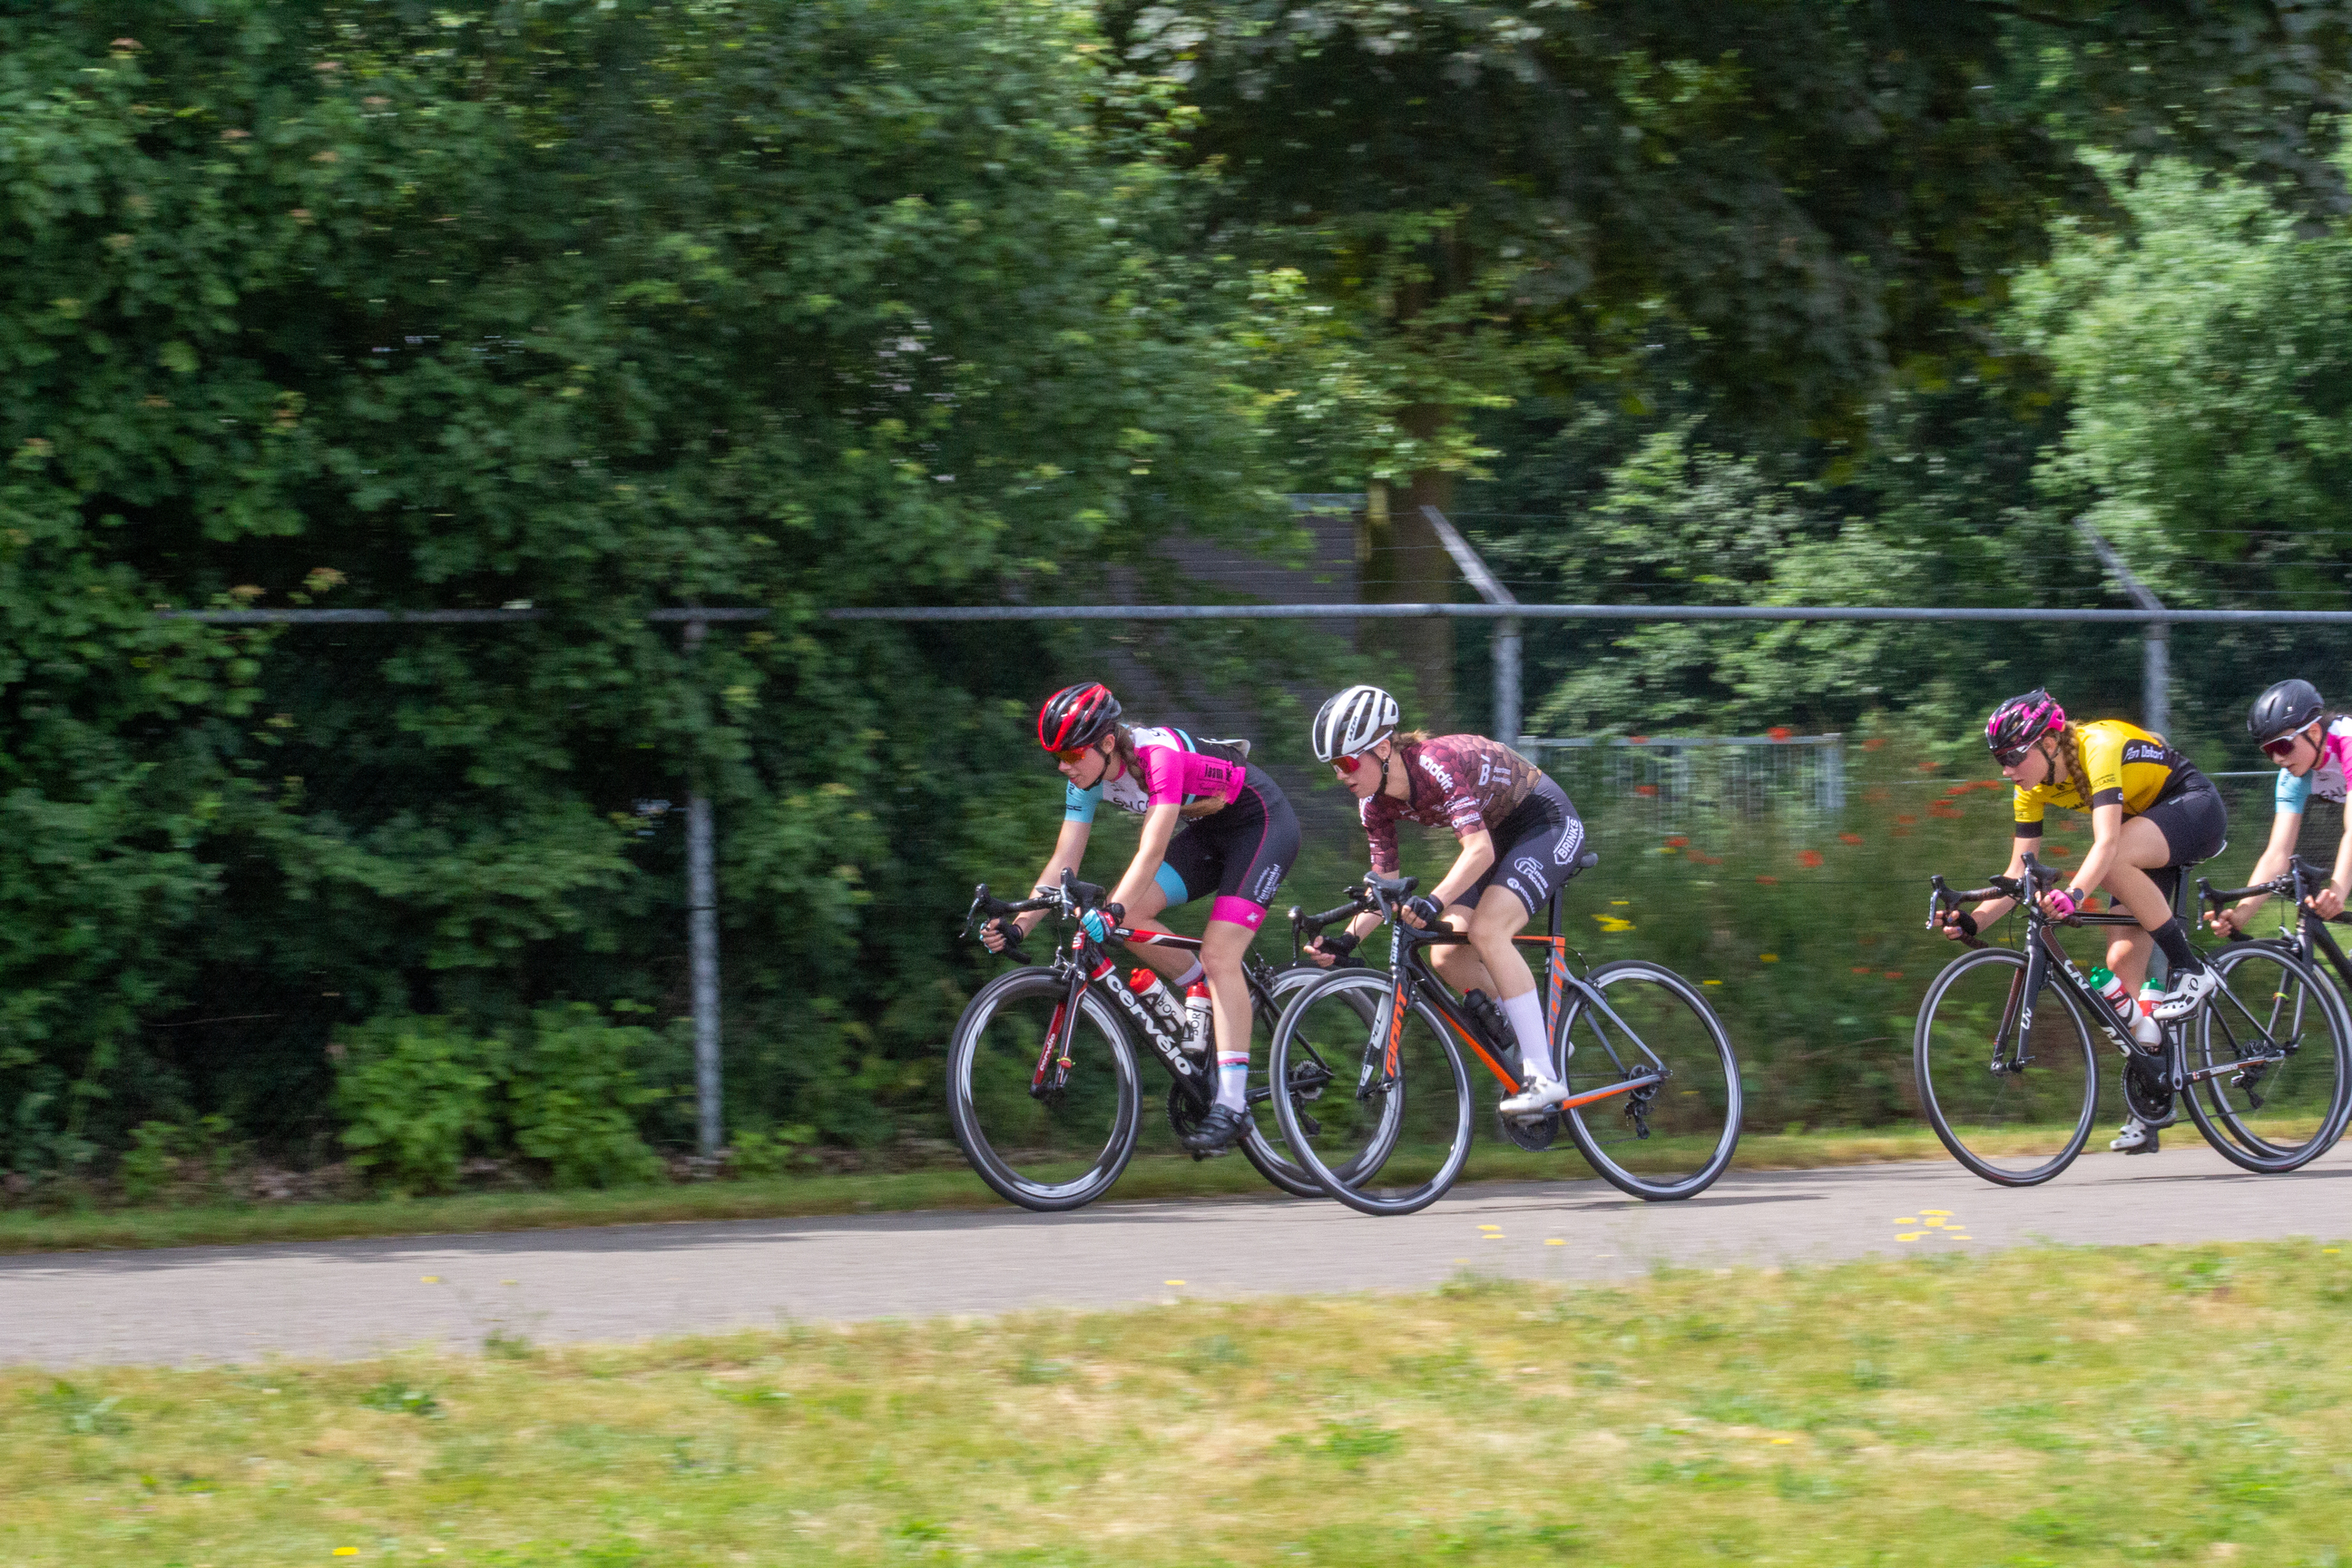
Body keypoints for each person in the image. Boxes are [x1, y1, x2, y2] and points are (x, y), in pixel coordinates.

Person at [980, 682, 1300, 1154]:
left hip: (1262, 824)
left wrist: (1110, 912)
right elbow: (1063, 859)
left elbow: (1150, 851)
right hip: (1210, 831)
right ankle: (1216, 995)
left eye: (1070, 754)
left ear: (1107, 743)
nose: (1064, 767)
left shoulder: (1159, 755)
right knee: (1132, 922)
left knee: (1215, 952)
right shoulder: (1084, 780)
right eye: (1057, 757)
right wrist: (1020, 923)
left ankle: (1230, 1105)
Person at [1933, 689, 2228, 1154]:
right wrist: (1974, 922)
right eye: (1999, 760)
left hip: (2190, 806)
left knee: (2107, 862)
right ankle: (2152, 1100)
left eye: (2013, 756)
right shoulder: (2028, 786)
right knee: (2121, 966)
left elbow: (2106, 844)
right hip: (2141, 832)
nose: (2007, 769)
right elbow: (2017, 874)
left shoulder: (2098, 747)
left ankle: (2191, 969)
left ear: (2050, 742)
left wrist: (2073, 895)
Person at [1302, 683, 1589, 1119]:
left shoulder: (1435, 764)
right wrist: (1344, 941)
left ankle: (1543, 1076)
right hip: (1496, 837)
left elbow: (1479, 853)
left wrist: (1434, 900)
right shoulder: (1373, 805)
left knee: (1488, 931)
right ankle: (1538, 1036)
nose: (1340, 775)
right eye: (1333, 767)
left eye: (1345, 761)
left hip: (1544, 823)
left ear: (1381, 748)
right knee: (1446, 954)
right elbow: (1385, 884)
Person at [2208, 678, 2352, 936]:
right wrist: (2241, 914)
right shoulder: (2292, 777)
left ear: (2315, 733)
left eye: (2282, 746)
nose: (2277, 759)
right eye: (2269, 751)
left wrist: (2337, 892)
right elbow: (2277, 854)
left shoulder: (2347, 741)